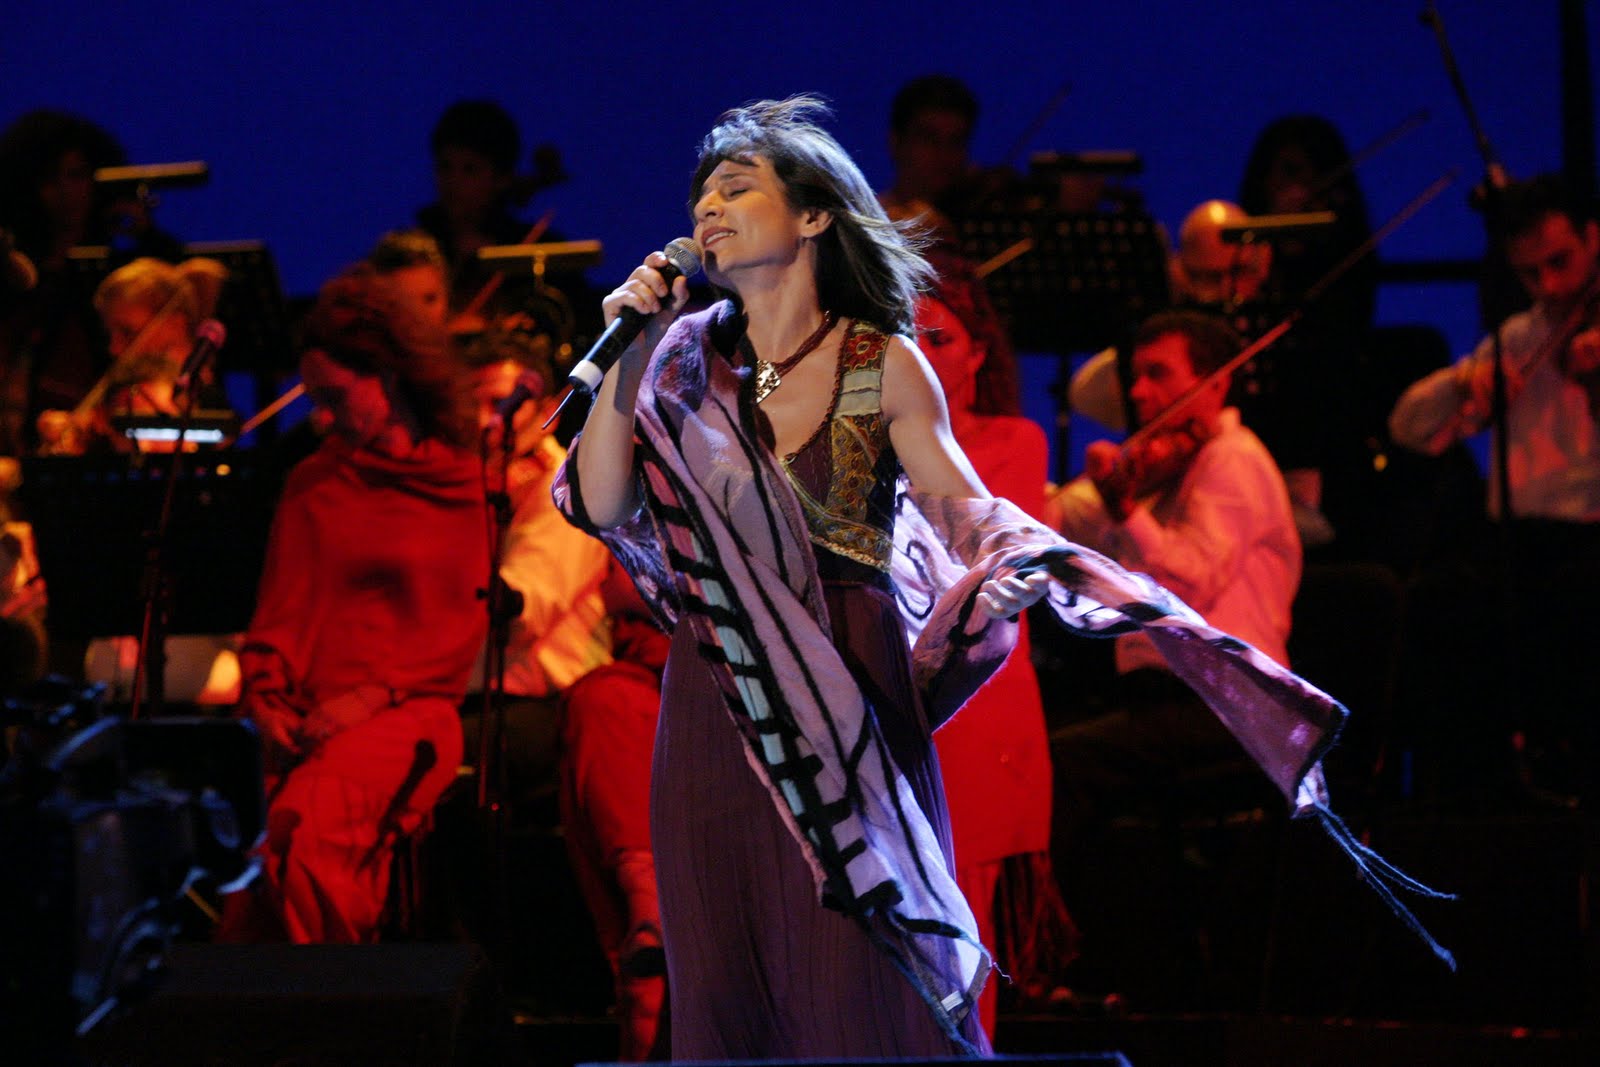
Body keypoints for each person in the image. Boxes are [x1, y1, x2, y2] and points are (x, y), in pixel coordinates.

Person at [553, 97, 1348, 1060]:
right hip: (716, 693)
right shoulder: (683, 365)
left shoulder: (880, 362)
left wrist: (1017, 565)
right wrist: (630, 355)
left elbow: (966, 510)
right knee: (729, 979)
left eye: (736, 187)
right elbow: (603, 502)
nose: (706, 208)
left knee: (851, 978)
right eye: (701, 193)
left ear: (814, 215)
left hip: (850, 679)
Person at [216, 264, 488, 944]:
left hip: (407, 711)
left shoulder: (461, 479)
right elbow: (279, 612)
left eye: (335, 396)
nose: (323, 416)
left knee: (308, 837)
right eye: (315, 398)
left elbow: (458, 626)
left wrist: (368, 699)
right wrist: (267, 698)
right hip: (310, 719)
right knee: (254, 868)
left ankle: (339, 996)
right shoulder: (315, 480)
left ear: (388, 376)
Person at [1045, 310, 1301, 901]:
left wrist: (1126, 512)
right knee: (1046, 747)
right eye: (1136, 376)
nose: (1137, 392)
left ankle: (1053, 936)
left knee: (1065, 765)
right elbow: (1061, 516)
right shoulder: (1157, 468)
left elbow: (1192, 585)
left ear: (1215, 383)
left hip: (1233, 700)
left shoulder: (1232, 458)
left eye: (1158, 373)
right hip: (1169, 699)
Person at [1386, 173, 1600, 807]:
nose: (1550, 287)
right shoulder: (1520, 337)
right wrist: (1464, 384)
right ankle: (1465, 804)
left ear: (1594, 239)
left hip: (1591, 540)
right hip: (1520, 542)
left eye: (1560, 263)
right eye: (1531, 274)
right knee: (1438, 603)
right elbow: (1407, 427)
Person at [912, 249, 1058, 1038]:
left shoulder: (1014, 441)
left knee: (964, 929)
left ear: (977, 355)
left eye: (939, 339)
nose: (920, 353)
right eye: (906, 338)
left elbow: (987, 564)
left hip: (982, 704)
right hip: (902, 696)